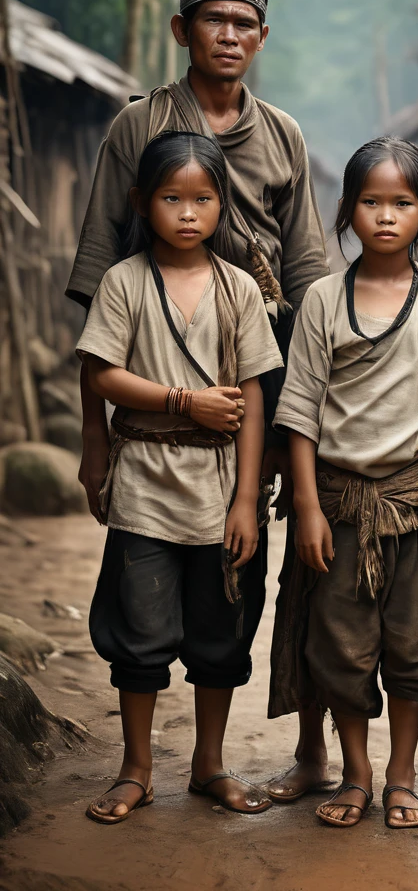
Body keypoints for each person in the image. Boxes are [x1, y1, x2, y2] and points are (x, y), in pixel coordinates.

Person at [67, 0, 333, 806]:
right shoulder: (137, 127)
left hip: (255, 388)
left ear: (262, 35)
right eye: (211, 20)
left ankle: (238, 759)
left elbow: (311, 287)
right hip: (149, 394)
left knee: (238, 583)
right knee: (141, 605)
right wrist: (93, 440)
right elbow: (98, 299)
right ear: (182, 31)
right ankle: (138, 766)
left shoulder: (283, 134)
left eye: (243, 23)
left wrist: (297, 438)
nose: (229, 35)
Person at [270, 137, 418, 830]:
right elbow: (300, 409)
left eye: (402, 203)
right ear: (348, 210)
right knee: (339, 642)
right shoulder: (323, 302)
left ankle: (402, 776)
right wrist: (306, 505)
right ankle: (356, 775)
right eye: (371, 202)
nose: (386, 216)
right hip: (338, 505)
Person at [79, 132, 284, 823]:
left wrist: (248, 500)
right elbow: (102, 372)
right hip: (143, 482)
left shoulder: (241, 291)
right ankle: (135, 767)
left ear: (223, 205)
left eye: (204, 199)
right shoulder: (124, 281)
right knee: (139, 634)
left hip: (222, 485)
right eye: (172, 198)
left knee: (220, 632)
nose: (188, 213)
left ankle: (209, 764)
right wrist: (181, 401)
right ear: (143, 202)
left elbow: (254, 397)